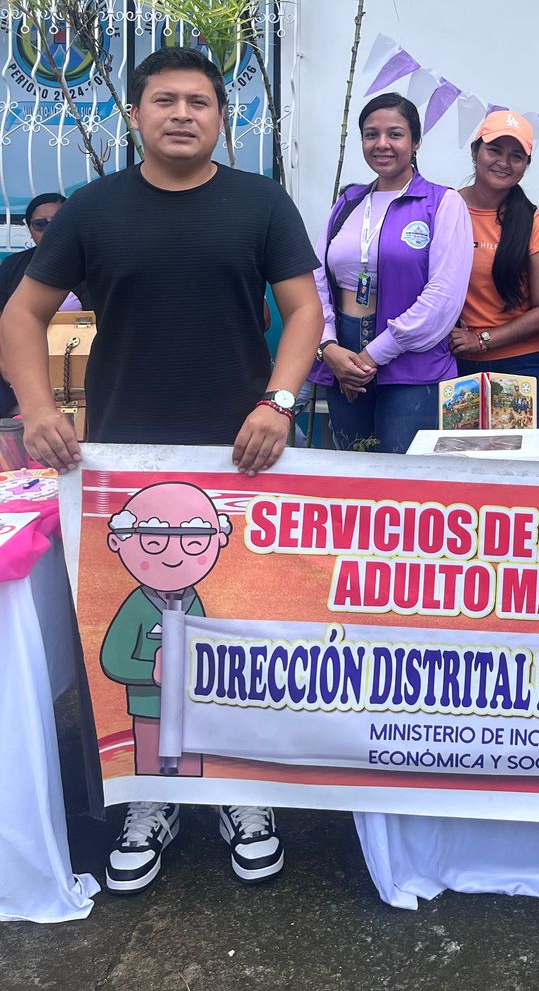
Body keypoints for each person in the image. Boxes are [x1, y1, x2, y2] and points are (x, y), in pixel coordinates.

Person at [0, 46, 324, 894]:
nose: (183, 114)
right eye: (165, 100)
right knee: (137, 642)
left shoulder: (260, 203)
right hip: (123, 463)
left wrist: (279, 402)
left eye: (200, 102)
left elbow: (303, 311)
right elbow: (23, 315)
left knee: (240, 629)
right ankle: (149, 796)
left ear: (222, 116)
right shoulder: (94, 209)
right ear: (136, 114)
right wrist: (39, 409)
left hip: (243, 455)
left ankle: (243, 787)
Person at [311, 93, 471, 453]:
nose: (381, 144)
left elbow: (443, 297)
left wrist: (371, 356)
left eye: (395, 134)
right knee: (351, 468)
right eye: (371, 135)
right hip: (342, 358)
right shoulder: (348, 201)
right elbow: (316, 279)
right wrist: (328, 347)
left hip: (411, 364)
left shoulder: (442, 203)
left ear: (416, 142)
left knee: (402, 474)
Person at [446, 110, 539, 422]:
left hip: (521, 366)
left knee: (515, 452)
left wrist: (481, 340)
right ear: (475, 152)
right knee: (462, 450)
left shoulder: (533, 222)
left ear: (526, 165)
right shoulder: (445, 208)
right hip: (455, 362)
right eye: (494, 150)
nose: (503, 163)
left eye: (516, 156)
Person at [0, 193, 82, 417]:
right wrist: (4, 361)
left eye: (57, 223)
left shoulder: (91, 263)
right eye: (40, 225)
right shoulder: (12, 266)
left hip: (81, 361)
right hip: (21, 362)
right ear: (29, 228)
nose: (49, 231)